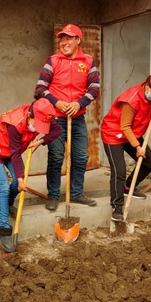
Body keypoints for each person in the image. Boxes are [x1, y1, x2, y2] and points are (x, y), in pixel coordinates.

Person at [0, 97, 61, 252]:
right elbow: (15, 154)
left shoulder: (43, 114)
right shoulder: (15, 123)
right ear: (31, 115)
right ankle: (4, 230)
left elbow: (57, 130)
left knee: (18, 183)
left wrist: (41, 141)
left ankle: (8, 204)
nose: (38, 127)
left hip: (11, 151)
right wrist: (19, 179)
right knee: (4, 187)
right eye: (37, 124)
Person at [35, 24, 100, 211]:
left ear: (78, 40)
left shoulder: (87, 61)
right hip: (55, 118)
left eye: (69, 38)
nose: (64, 42)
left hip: (77, 118)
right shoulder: (53, 61)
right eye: (62, 38)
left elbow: (95, 89)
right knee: (56, 157)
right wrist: (57, 102)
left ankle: (77, 193)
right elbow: (40, 88)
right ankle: (53, 196)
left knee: (81, 157)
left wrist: (79, 103)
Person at [101, 67, 151, 221]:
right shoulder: (131, 100)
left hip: (132, 133)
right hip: (114, 134)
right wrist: (137, 147)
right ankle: (117, 206)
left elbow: (149, 105)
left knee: (149, 162)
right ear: (147, 86)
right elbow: (124, 126)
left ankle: (128, 187)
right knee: (119, 171)